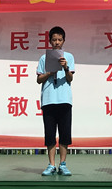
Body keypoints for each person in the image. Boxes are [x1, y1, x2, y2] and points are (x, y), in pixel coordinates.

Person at [36, 26, 75, 176]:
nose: (57, 42)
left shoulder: (69, 57)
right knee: (50, 134)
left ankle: (63, 164)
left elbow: (70, 78)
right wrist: (50, 72)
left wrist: (65, 68)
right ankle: (51, 164)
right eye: (54, 40)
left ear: (64, 41)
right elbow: (39, 79)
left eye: (59, 39)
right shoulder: (44, 58)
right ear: (50, 41)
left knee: (65, 134)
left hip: (64, 100)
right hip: (49, 100)